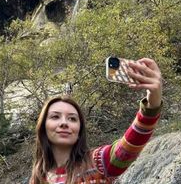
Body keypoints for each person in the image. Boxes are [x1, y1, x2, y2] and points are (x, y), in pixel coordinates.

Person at [29, 58, 163, 184]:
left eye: (72, 119)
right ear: (43, 127)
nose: (64, 123)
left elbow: (129, 145)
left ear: (79, 130)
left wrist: (153, 101)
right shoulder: (38, 178)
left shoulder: (99, 161)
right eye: (55, 117)